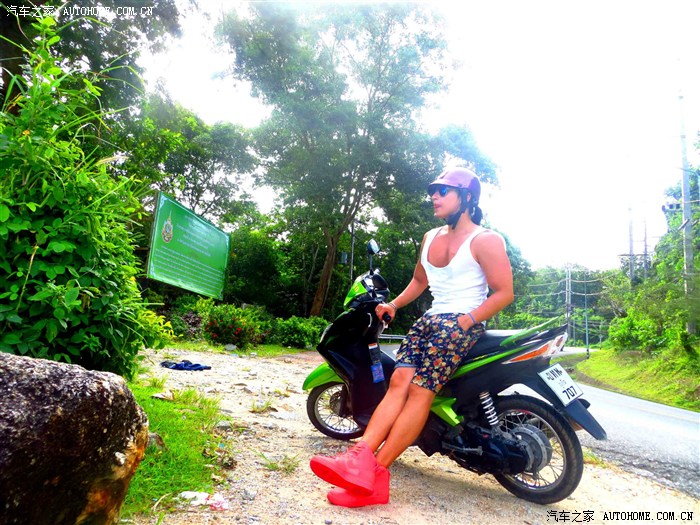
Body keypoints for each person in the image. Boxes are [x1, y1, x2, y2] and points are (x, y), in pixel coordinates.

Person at [309, 166, 515, 508]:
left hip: (459, 324)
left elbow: (504, 292)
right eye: (433, 190)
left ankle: (375, 473)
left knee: (420, 392)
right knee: (397, 383)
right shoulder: (430, 237)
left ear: (466, 198)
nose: (434, 195)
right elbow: (420, 281)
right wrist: (393, 304)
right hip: (429, 320)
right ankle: (360, 458)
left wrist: (467, 320)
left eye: (443, 190)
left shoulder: (486, 240)